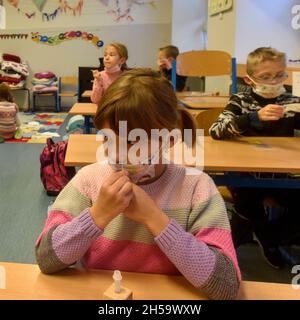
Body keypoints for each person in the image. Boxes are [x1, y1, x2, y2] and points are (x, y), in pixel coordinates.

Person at [35, 69, 240, 300]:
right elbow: (46, 258)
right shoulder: (88, 180)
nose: (117, 154)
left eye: (134, 141)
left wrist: (155, 219)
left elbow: (226, 285)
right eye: (107, 138)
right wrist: (97, 216)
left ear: (170, 139)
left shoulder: (196, 188)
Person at [209, 47, 300, 268]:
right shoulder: (241, 100)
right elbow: (216, 130)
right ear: (250, 79)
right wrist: (253, 117)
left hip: (284, 176)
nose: (274, 81)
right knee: (249, 206)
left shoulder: (290, 99)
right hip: (247, 175)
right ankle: (266, 240)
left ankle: (271, 237)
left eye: (279, 75)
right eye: (265, 77)